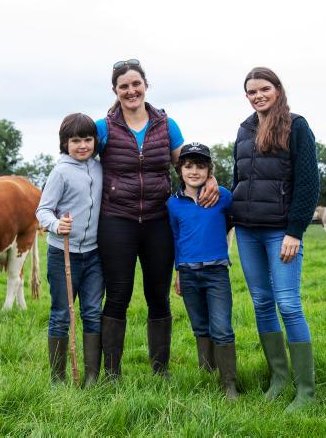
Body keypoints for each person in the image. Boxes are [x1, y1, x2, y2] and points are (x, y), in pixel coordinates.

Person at [96, 59, 219, 378]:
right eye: (123, 86)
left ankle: (159, 369)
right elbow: (80, 161)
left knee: (157, 295)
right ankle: (111, 372)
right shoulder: (103, 127)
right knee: (118, 295)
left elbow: (189, 166)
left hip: (158, 221)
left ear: (145, 86)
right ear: (115, 91)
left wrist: (211, 179)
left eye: (136, 84)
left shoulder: (167, 125)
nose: (130, 90)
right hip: (116, 220)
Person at [231, 66, 320, 411]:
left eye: (263, 89)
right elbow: (239, 179)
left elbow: (309, 183)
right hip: (247, 230)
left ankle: (306, 391)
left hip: (280, 232)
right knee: (262, 303)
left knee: (288, 303)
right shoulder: (244, 129)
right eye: (251, 91)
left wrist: (294, 231)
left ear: (278, 90)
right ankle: (279, 378)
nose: (258, 95)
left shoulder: (296, 126)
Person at [36, 113, 104, 386]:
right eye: (75, 141)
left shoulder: (99, 167)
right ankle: (57, 378)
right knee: (62, 313)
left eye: (87, 139)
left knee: (92, 311)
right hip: (62, 254)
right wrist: (55, 224)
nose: (82, 146)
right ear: (65, 143)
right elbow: (42, 210)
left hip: (95, 253)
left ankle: (91, 376)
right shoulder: (60, 172)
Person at [167, 143, 237, 400]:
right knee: (200, 327)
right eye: (188, 166)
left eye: (200, 166)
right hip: (188, 272)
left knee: (221, 327)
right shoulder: (173, 204)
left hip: (216, 272)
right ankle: (207, 375)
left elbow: (234, 219)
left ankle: (229, 384)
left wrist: (215, 184)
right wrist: (177, 272)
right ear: (180, 170)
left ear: (209, 170)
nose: (194, 171)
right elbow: (177, 238)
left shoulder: (223, 197)